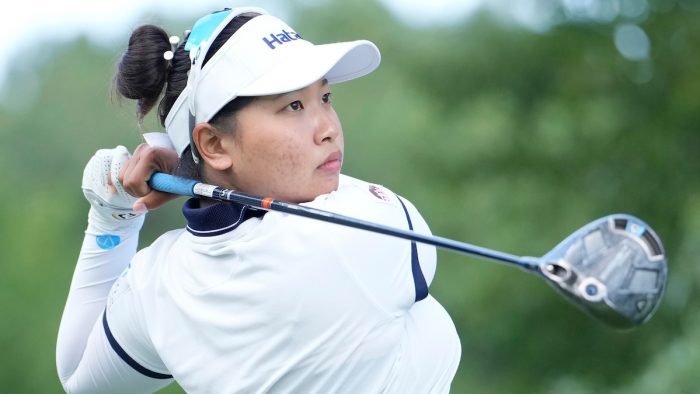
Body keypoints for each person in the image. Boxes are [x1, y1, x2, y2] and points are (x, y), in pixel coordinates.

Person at [56, 6, 461, 393]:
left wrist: (113, 216)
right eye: (293, 106)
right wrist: (187, 166)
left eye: (325, 97)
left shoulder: (155, 284)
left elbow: (79, 376)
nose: (328, 130)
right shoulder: (367, 228)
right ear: (213, 143)